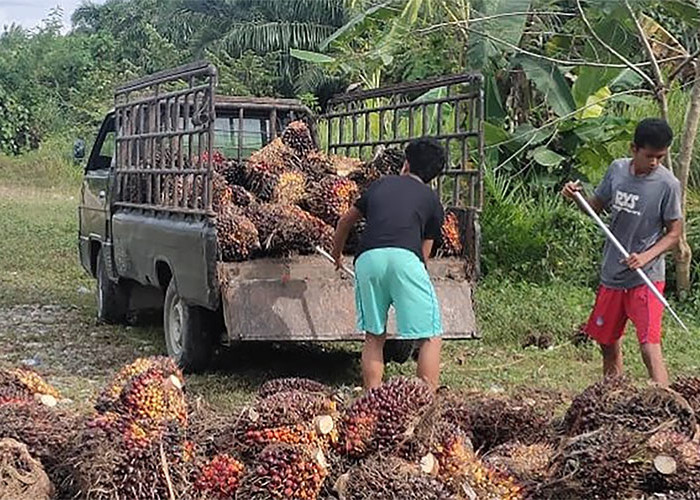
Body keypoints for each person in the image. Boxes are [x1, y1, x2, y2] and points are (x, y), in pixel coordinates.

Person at [562, 118, 682, 387]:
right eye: (649, 156)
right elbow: (596, 207)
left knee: (649, 346)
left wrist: (646, 256)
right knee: (606, 341)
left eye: (660, 157)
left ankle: (667, 406)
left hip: (646, 277)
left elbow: (674, 234)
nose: (654, 163)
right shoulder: (617, 170)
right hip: (613, 273)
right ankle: (613, 397)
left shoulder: (668, 185)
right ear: (633, 149)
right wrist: (577, 197)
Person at [331, 139, 446, 389]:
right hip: (406, 258)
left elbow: (345, 222)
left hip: (367, 259)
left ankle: (372, 401)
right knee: (429, 335)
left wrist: (337, 255)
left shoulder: (380, 185)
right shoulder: (431, 200)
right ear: (434, 176)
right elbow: (423, 255)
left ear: (405, 164)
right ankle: (425, 401)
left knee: (374, 336)